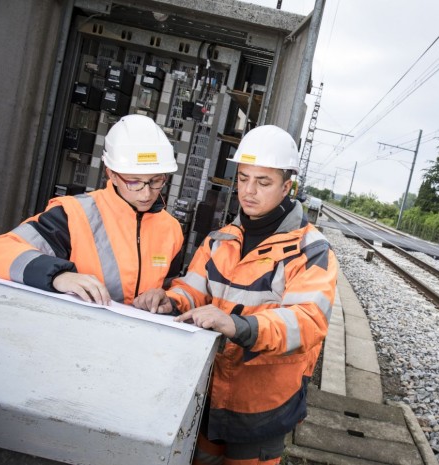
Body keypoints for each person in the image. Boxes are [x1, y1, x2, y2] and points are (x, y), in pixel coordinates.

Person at [133, 125, 339, 464]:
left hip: (264, 405)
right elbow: (193, 289)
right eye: (243, 178)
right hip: (210, 395)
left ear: (287, 187)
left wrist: (236, 325)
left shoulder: (310, 250)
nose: (249, 191)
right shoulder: (221, 240)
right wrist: (171, 300)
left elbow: (307, 321)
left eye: (263, 182)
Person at [0, 114, 183, 305]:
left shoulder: (171, 229)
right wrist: (58, 276)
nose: (146, 194)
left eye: (156, 181)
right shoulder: (74, 214)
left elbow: (172, 288)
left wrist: (167, 298)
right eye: (134, 182)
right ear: (111, 174)